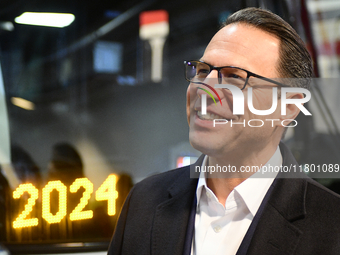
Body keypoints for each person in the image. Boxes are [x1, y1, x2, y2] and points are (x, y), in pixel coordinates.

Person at [108, 7, 340, 255]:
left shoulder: (331, 227)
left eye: (234, 77)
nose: (204, 88)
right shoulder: (143, 203)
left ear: (289, 106)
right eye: (203, 70)